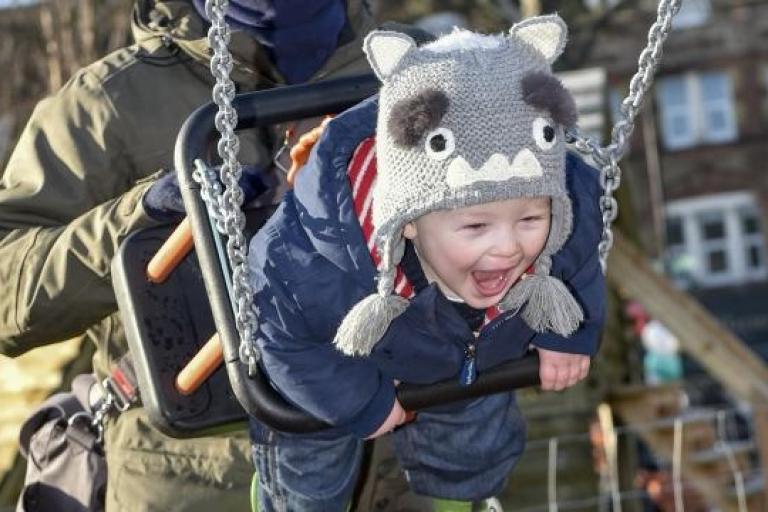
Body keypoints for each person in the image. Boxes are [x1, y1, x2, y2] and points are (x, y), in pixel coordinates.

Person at [0, 1, 377, 510]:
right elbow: (8, 295)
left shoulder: (416, 69)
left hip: (402, 458)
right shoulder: (110, 100)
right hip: (192, 476)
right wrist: (139, 217)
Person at [247, 14, 607, 512]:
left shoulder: (564, 212)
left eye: (529, 218)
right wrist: (361, 403)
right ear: (409, 221)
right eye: (477, 227)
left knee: (476, 452)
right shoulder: (314, 258)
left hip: (458, 346)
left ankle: (461, 498)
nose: (508, 248)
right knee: (312, 479)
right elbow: (281, 335)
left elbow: (579, 264)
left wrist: (567, 333)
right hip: (330, 355)